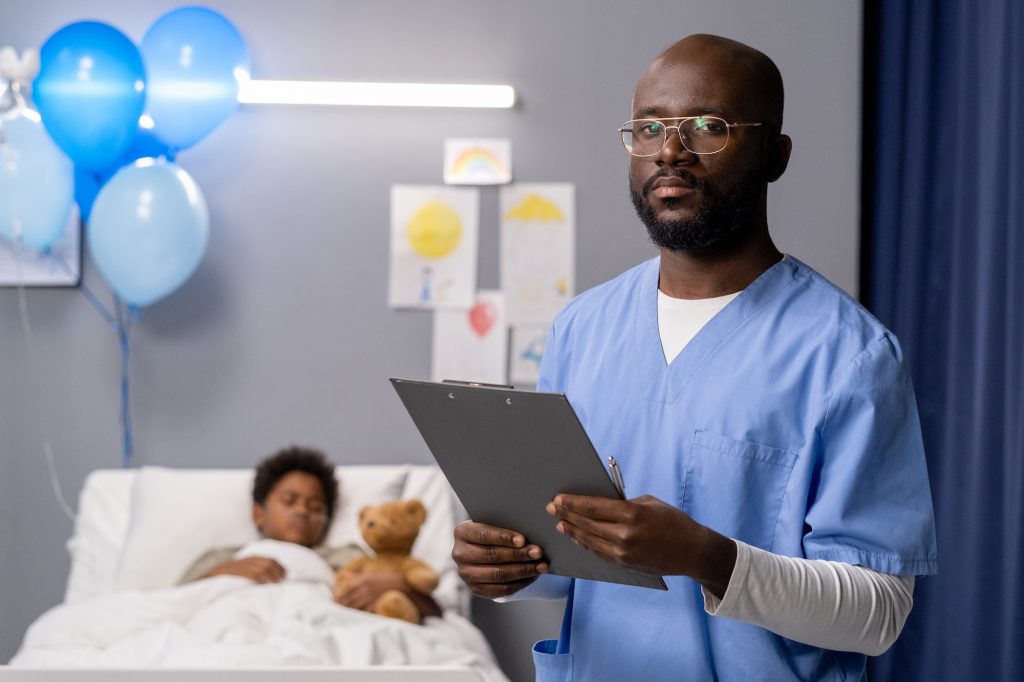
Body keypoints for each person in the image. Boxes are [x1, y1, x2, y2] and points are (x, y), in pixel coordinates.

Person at [451, 34, 937, 681]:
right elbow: (574, 571)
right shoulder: (582, 329)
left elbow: (878, 615)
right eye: (648, 128)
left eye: (708, 127)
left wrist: (708, 557)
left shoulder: (847, 355)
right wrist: (508, 570)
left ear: (775, 154)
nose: (670, 151)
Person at [179, 446, 440, 618]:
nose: (302, 511)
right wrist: (223, 572)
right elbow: (174, 604)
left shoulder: (346, 557)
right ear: (258, 513)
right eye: (289, 500)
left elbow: (435, 611)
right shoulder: (223, 557)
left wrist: (390, 584)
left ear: (325, 521)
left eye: (315, 506)